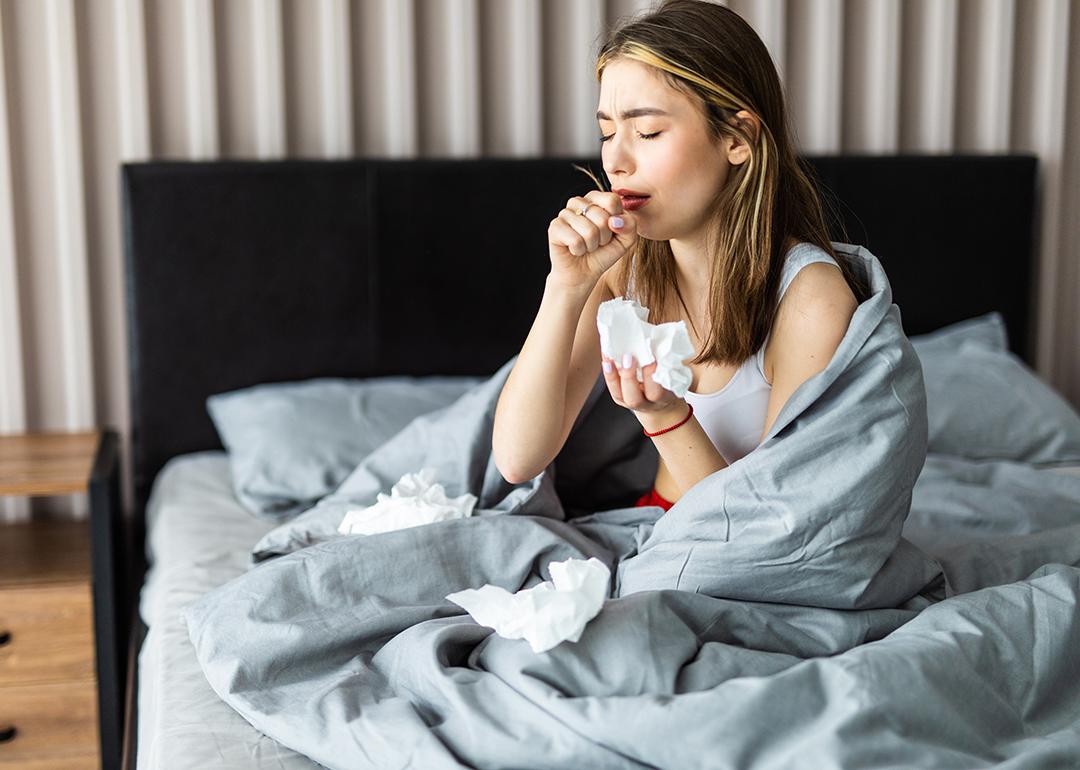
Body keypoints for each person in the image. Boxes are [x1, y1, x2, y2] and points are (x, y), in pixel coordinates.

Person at [492, 0, 869, 511]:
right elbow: (517, 460)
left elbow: (768, 527)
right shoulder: (622, 266)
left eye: (647, 132)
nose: (615, 161)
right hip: (654, 522)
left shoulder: (809, 299)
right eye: (607, 132)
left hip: (743, 541)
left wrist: (664, 416)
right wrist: (565, 287)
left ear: (737, 138)